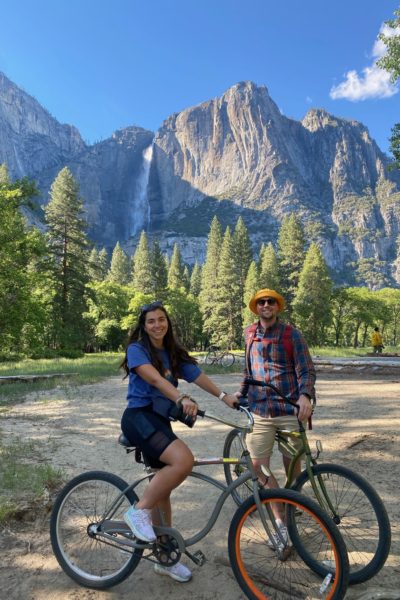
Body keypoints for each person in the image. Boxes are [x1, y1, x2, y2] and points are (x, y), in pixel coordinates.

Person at [120, 301, 237, 583]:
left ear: (167, 323)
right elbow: (158, 381)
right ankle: (137, 512)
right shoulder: (138, 350)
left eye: (162, 319)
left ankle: (164, 557)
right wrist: (181, 397)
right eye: (151, 321)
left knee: (163, 490)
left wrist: (225, 397)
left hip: (158, 422)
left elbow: (198, 376)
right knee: (184, 460)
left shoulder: (172, 353)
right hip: (138, 418)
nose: (157, 325)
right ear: (143, 325)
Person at [236, 288, 316, 545]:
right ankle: (280, 521)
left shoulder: (292, 334)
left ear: (277, 307)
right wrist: (240, 394)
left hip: (289, 409)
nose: (266, 305)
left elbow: (306, 370)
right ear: (256, 307)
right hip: (260, 410)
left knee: (294, 465)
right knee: (259, 467)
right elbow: (248, 370)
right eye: (261, 302)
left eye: (271, 301)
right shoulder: (250, 334)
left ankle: (292, 502)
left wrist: (305, 396)